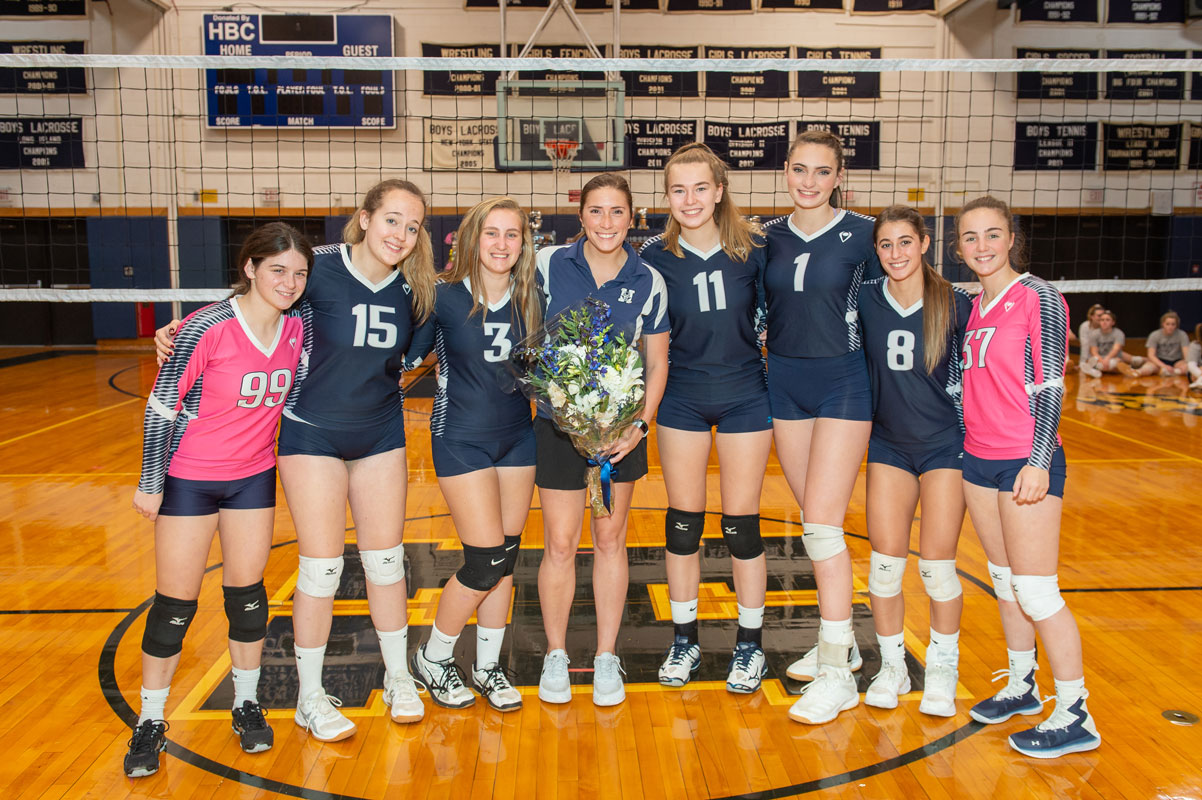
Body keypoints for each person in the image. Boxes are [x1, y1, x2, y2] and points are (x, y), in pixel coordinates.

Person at [154, 179, 437, 741]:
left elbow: (419, 353)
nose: (400, 234)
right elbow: (255, 297)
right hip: (312, 436)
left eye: (412, 226)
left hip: (380, 432)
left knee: (387, 563)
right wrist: (182, 329)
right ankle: (310, 697)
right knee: (322, 568)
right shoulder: (319, 266)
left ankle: (401, 676)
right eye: (391, 220)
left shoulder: (418, 289)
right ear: (363, 218)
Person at [125, 223, 312, 777]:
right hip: (188, 477)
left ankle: (246, 702)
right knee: (175, 606)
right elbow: (161, 406)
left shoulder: (298, 328)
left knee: (247, 598)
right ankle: (151, 720)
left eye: (299, 273)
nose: (289, 282)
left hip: (252, 478)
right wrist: (151, 481)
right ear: (250, 268)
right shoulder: (208, 326)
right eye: (277, 269)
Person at [957, 195, 1100, 758]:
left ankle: (1076, 711)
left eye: (993, 235)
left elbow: (1049, 387)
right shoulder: (974, 305)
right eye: (971, 237)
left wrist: (1039, 460)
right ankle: (1022, 685)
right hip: (978, 459)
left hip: (1025, 459)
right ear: (959, 245)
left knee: (1038, 590)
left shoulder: (1038, 296)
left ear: (1011, 238)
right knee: (1003, 581)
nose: (982, 247)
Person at [639, 143, 773, 693]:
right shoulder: (651, 256)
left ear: (720, 190)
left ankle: (749, 645)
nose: (689, 199)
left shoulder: (758, 249)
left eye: (700, 188)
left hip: (745, 392)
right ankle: (684, 640)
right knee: (683, 523)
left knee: (742, 526)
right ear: (666, 195)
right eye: (678, 189)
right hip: (682, 397)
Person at [534, 173, 669, 707]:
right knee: (561, 545)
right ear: (581, 216)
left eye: (617, 212)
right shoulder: (547, 265)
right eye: (596, 211)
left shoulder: (648, 279)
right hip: (557, 429)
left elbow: (657, 362)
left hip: (620, 437)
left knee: (611, 542)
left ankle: (607, 656)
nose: (606, 222)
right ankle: (555, 654)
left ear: (632, 217)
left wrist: (639, 425)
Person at [405, 197, 542, 712]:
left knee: (505, 560)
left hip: (517, 438)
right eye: (492, 233)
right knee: (484, 560)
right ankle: (435, 656)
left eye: (512, 234)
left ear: (523, 244)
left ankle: (487, 667)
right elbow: (403, 356)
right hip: (460, 436)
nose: (502, 244)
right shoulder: (442, 298)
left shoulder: (532, 300)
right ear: (471, 239)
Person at [763, 129, 879, 725]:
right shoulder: (765, 236)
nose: (809, 182)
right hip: (783, 382)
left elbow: (907, 291)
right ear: (786, 170)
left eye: (822, 172)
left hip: (842, 383)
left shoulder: (864, 232)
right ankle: (846, 643)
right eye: (800, 169)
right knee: (814, 527)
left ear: (839, 177)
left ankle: (838, 677)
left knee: (826, 528)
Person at [858, 206, 973, 717]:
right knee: (883, 567)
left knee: (938, 569)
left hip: (944, 443)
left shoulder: (958, 303)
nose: (896, 254)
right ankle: (893, 666)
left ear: (925, 243)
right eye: (886, 245)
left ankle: (943, 667)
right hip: (888, 444)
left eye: (905, 242)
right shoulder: (865, 299)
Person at [1080, 310, 1140, 377]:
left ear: (1113, 322)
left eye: (1107, 320)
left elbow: (1116, 349)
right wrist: (1101, 360)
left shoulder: (1118, 333)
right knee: (1097, 361)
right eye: (1102, 320)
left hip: (1114, 357)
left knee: (1133, 361)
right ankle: (1096, 369)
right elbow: (1094, 351)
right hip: (1100, 358)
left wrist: (1107, 359)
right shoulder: (1094, 334)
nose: (1104, 322)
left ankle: (1096, 369)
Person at [1134, 311, 1191, 377]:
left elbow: (1186, 354)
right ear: (1163, 324)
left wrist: (1185, 365)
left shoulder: (1182, 335)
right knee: (1148, 368)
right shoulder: (1154, 335)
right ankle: (1136, 372)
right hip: (1159, 360)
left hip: (1176, 361)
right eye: (1168, 324)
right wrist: (1164, 366)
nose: (1170, 327)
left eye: (1173, 324)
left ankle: (1171, 373)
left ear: (1176, 325)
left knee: (1187, 367)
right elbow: (1151, 355)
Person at [1188, 323, 1202, 390]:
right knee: (1193, 375)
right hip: (1197, 372)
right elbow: (1191, 365)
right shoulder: (1195, 345)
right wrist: (1200, 375)